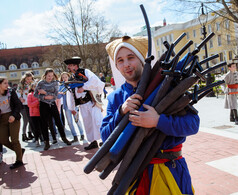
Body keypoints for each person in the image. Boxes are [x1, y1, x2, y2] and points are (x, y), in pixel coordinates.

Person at [101, 36, 200, 194]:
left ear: (141, 59)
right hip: (133, 174)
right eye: (120, 60)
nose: (126, 64)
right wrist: (121, 112)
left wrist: (158, 121)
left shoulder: (168, 86)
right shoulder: (116, 98)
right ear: (117, 66)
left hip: (171, 170)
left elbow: (193, 124)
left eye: (130, 57)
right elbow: (106, 136)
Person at [64, 57, 104, 150]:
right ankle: (93, 142)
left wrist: (84, 87)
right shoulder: (71, 78)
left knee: (98, 121)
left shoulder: (85, 71)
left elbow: (94, 80)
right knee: (88, 123)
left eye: (70, 65)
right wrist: (72, 107)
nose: (68, 67)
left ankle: (105, 139)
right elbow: (70, 94)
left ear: (75, 66)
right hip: (82, 104)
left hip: (92, 101)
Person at [34, 68, 72, 150]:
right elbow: (35, 94)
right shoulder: (41, 83)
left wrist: (46, 93)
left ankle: (64, 138)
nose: (50, 77)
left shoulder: (55, 83)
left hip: (52, 104)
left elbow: (55, 94)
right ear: (45, 75)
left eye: (51, 76)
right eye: (48, 76)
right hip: (43, 104)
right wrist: (43, 96)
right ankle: (46, 142)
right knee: (44, 124)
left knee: (58, 121)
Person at [0, 76, 25, 169]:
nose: (7, 85)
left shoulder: (11, 92)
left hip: (13, 117)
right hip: (2, 119)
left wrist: (13, 115)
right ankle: (19, 151)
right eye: (5, 83)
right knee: (2, 139)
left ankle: (19, 161)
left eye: (7, 82)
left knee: (14, 140)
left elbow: (18, 105)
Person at [58, 72, 85, 142]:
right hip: (66, 107)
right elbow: (58, 96)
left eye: (65, 77)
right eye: (63, 77)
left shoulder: (72, 84)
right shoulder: (61, 86)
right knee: (69, 122)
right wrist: (59, 93)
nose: (64, 79)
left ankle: (82, 133)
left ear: (68, 77)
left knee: (77, 120)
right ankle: (75, 136)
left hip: (74, 105)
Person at [17, 72, 35, 141]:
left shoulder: (32, 84)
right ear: (25, 78)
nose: (29, 80)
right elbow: (18, 93)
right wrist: (20, 98)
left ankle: (29, 133)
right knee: (26, 120)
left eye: (30, 79)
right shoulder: (21, 85)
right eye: (27, 79)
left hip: (31, 103)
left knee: (31, 119)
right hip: (24, 105)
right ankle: (23, 135)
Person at [27, 82, 43, 147]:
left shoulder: (41, 94)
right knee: (36, 128)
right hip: (33, 114)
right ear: (32, 87)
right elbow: (29, 104)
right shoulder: (30, 95)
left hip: (41, 113)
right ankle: (37, 140)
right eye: (34, 86)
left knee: (42, 127)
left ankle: (43, 139)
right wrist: (37, 101)